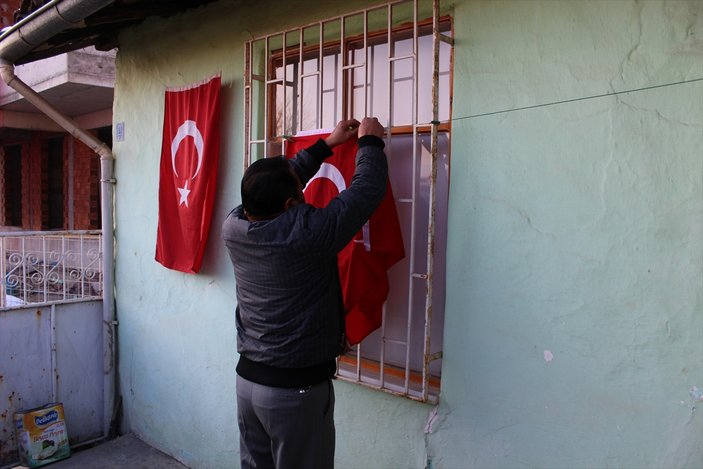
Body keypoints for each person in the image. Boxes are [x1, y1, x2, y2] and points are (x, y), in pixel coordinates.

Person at [222, 117, 388, 469]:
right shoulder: (309, 235)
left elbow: (276, 184)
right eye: (298, 193)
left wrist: (328, 144)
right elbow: (364, 193)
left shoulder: (234, 225)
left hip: (248, 383)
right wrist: (370, 144)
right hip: (294, 393)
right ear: (289, 206)